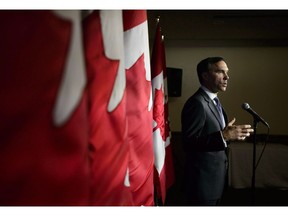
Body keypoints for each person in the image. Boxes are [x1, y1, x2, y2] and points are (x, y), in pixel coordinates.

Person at [181, 56, 254, 206]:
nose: (227, 77)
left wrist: (228, 135)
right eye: (221, 72)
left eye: (227, 72)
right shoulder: (197, 103)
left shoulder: (214, 101)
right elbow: (188, 143)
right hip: (202, 184)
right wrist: (223, 136)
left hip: (216, 180)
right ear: (205, 75)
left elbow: (212, 135)